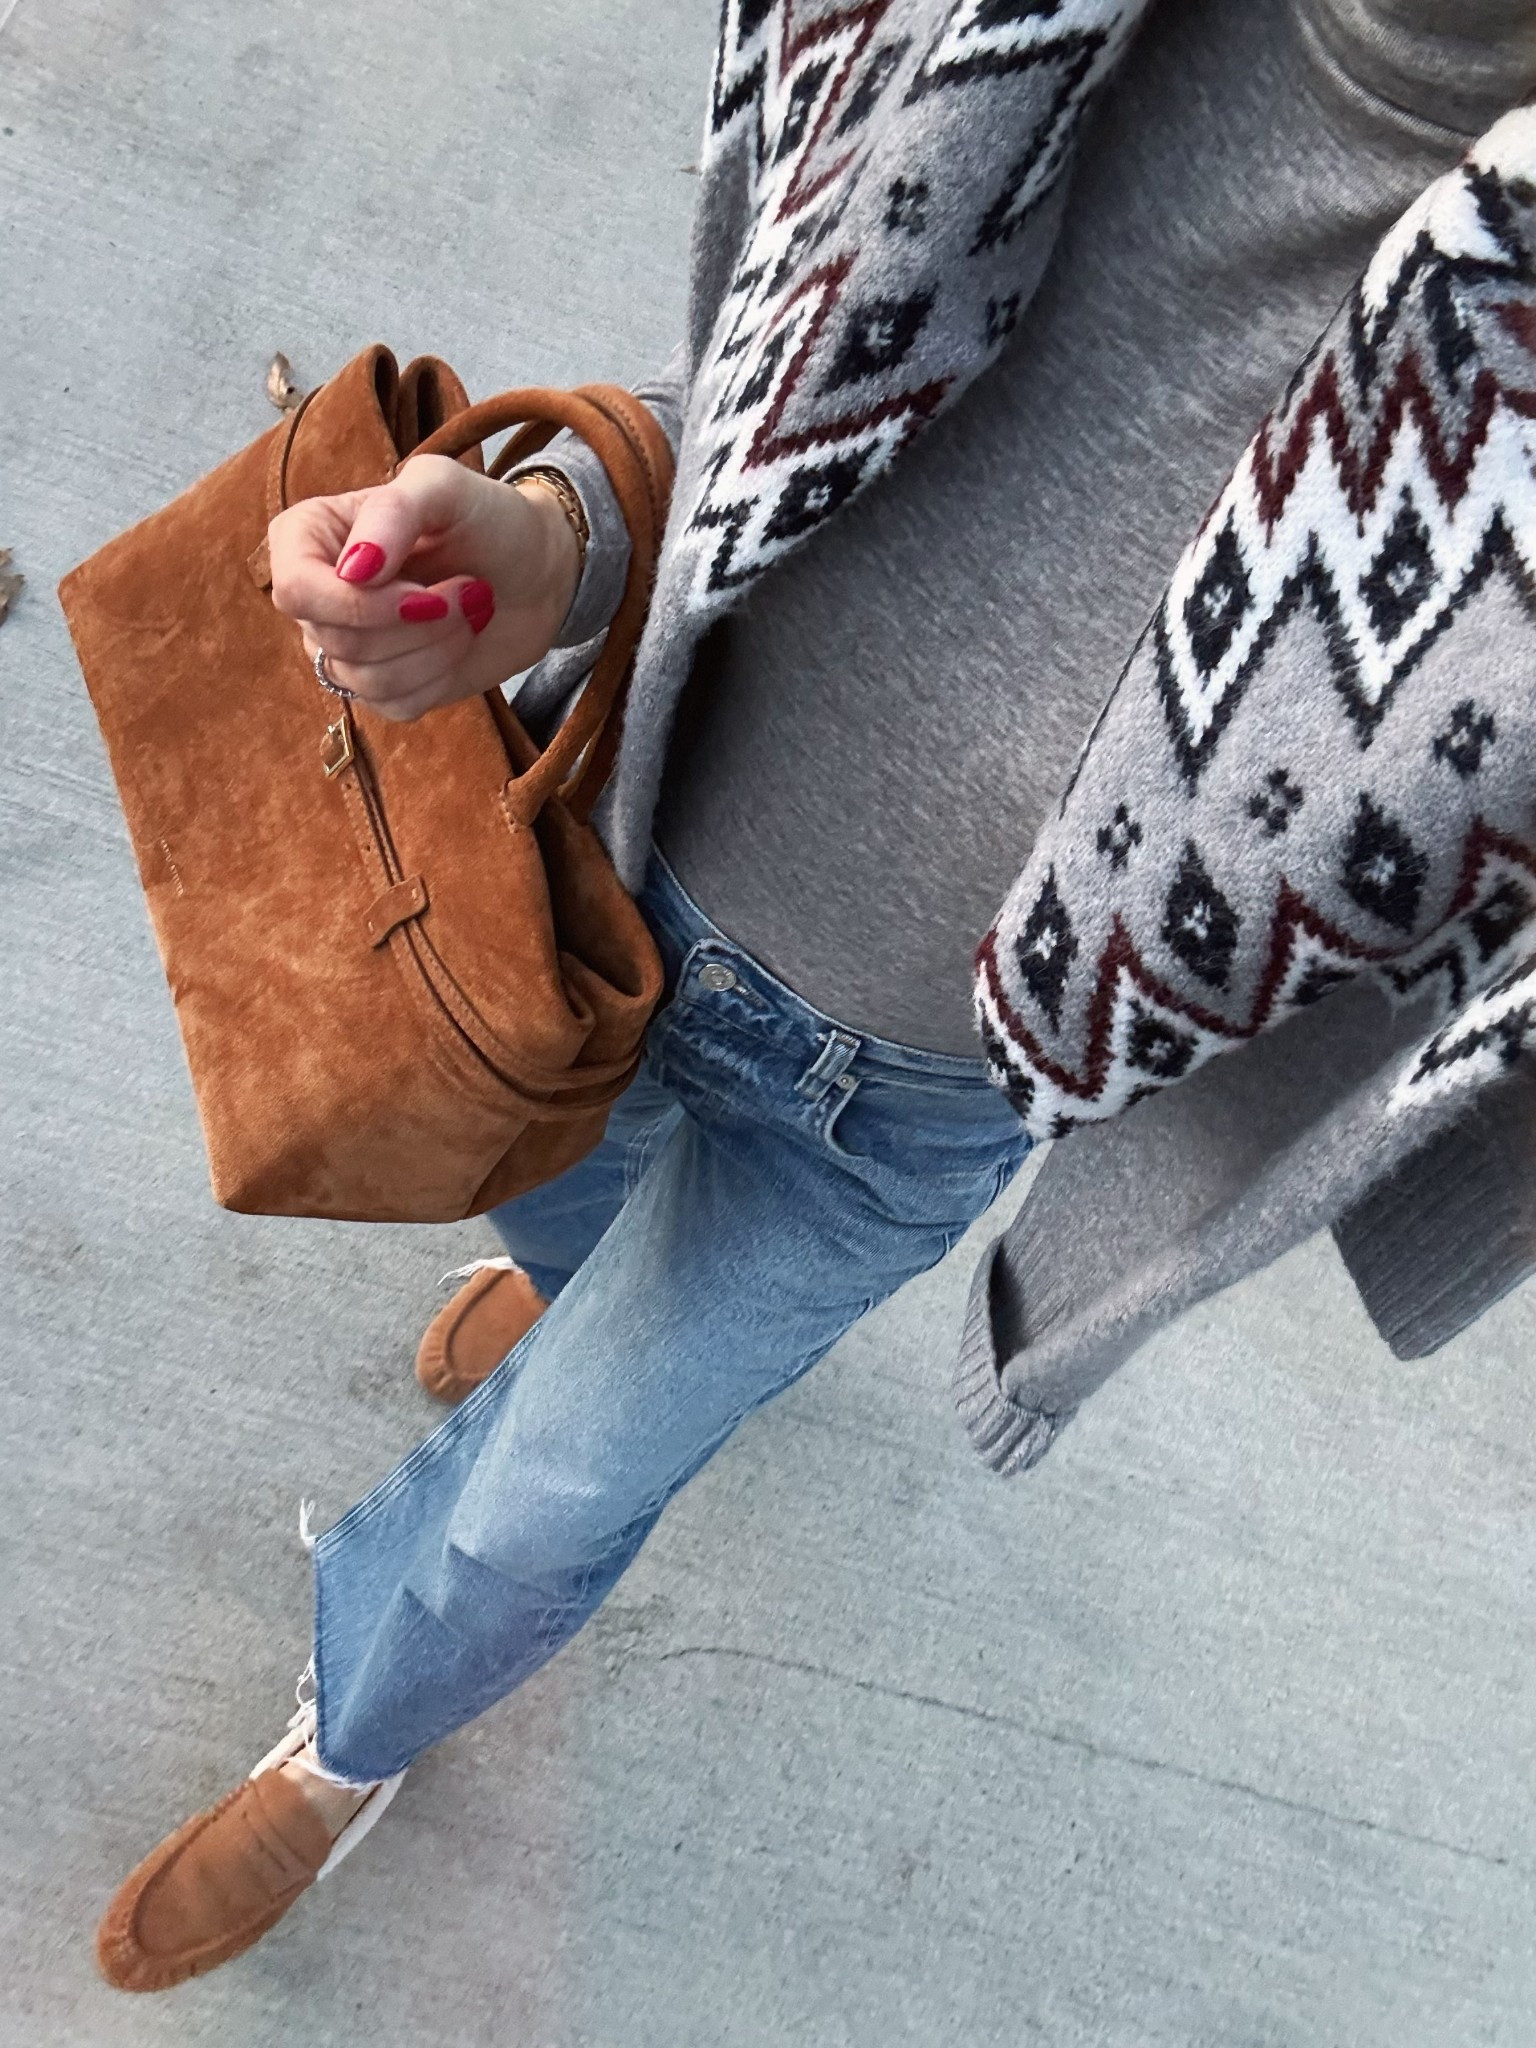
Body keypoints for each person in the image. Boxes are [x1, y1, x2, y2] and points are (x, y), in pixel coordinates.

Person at [96, 0, 1536, 1992]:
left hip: (918, 1112)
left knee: (545, 1506)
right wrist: (549, 538)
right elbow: (775, 403)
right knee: (543, 1182)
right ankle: (574, 1267)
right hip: (619, 883)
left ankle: (355, 1730)